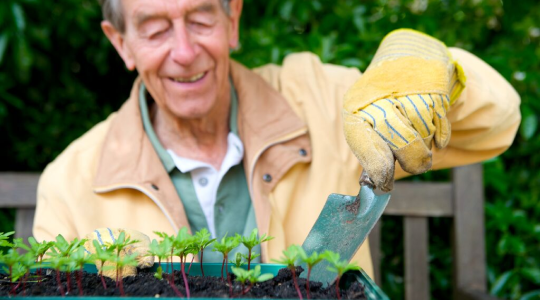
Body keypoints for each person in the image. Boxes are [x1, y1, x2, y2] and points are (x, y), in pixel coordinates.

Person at [33, 0, 521, 279]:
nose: (184, 52)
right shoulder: (72, 182)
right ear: (122, 44)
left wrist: (429, 68)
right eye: (156, 30)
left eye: (201, 20)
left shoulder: (324, 101)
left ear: (233, 21)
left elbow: (495, 124)